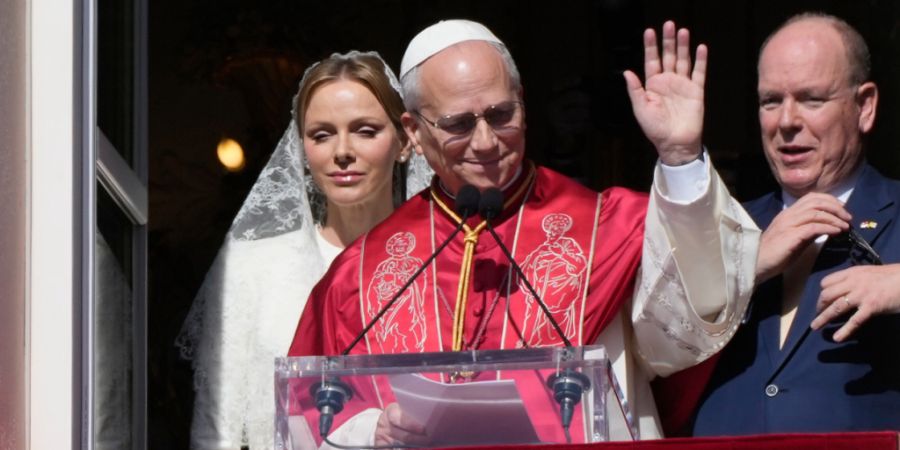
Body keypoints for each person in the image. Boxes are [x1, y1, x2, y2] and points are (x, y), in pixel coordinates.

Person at [289, 19, 760, 446]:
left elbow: (690, 328)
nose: (486, 142)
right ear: (413, 131)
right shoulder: (363, 271)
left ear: (524, 106)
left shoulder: (608, 227)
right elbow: (307, 408)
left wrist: (679, 157)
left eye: (500, 115)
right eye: (457, 124)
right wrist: (372, 428)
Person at [177, 51, 433, 450]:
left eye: (365, 130)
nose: (342, 150)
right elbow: (216, 429)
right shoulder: (251, 266)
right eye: (322, 134)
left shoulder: (445, 261)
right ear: (302, 149)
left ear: (404, 141)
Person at [691, 13, 900, 435]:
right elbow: (648, 349)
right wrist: (744, 265)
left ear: (865, 106)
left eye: (811, 99)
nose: (785, 121)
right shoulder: (724, 226)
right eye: (771, 101)